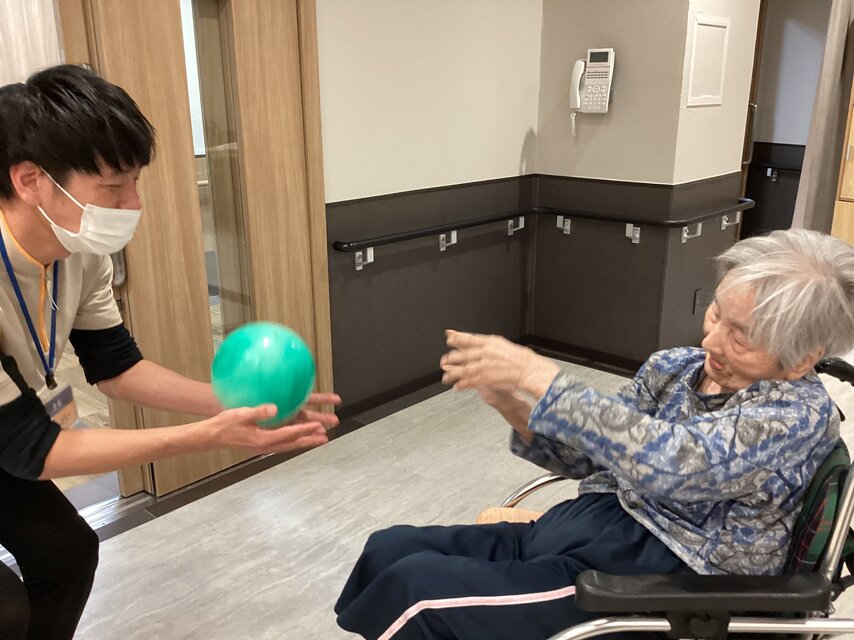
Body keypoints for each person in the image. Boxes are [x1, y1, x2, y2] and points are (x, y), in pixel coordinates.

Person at [335, 228, 854, 640]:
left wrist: (540, 377)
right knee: (389, 549)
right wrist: (513, 404)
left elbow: (674, 463)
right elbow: (591, 458)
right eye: (717, 313)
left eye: (741, 337)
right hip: (586, 526)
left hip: (661, 581)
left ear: (801, 359)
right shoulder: (675, 368)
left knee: (418, 593)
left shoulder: (794, 414)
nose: (711, 341)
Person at [0, 64, 339, 640]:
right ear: (32, 180)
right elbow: (32, 450)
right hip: (13, 438)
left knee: (67, 553)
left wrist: (236, 404)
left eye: (135, 183)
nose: (132, 204)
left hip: (7, 431)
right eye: (113, 188)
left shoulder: (79, 253)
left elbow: (117, 367)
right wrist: (209, 436)